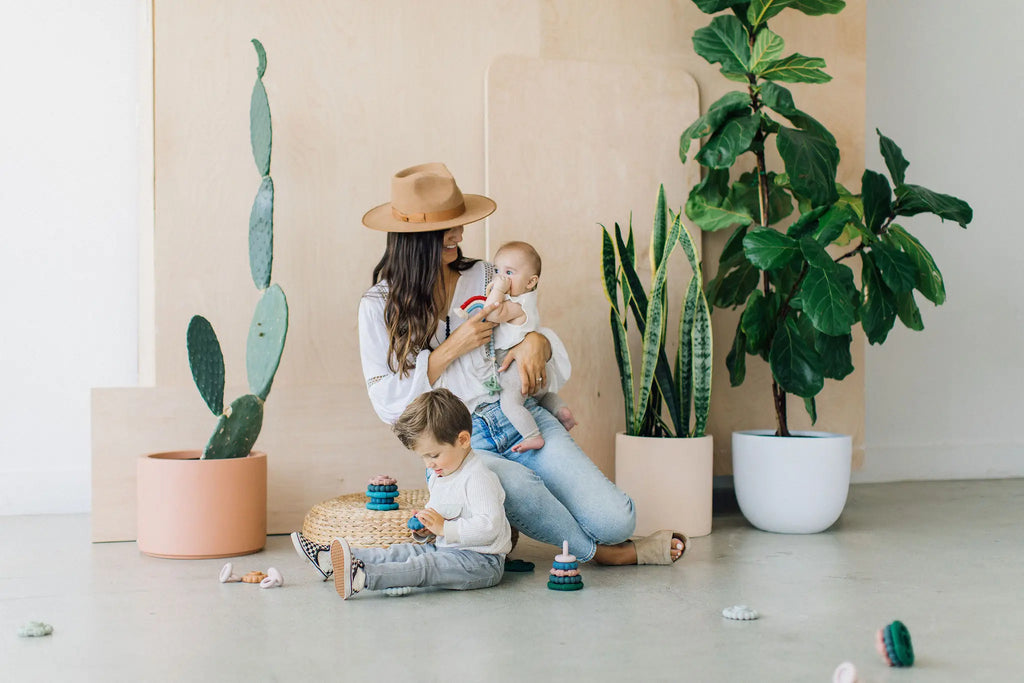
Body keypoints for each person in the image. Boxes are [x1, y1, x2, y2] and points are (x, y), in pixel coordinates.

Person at [355, 162, 686, 566]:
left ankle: (607, 539)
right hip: (460, 443)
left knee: (616, 519)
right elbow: (387, 404)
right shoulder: (377, 306)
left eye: (461, 223)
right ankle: (601, 554)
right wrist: (449, 350)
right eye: (450, 228)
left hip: (521, 416)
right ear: (416, 239)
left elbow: (530, 325)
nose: (461, 234)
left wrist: (538, 342)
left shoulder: (486, 275)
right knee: (516, 485)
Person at [319, 388, 511, 599]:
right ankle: (335, 559)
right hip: (446, 550)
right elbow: (439, 518)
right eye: (423, 458)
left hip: (482, 562)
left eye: (434, 455)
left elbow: (489, 527)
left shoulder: (478, 478)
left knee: (425, 566)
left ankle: (365, 576)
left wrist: (444, 528)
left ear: (463, 440)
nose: (429, 464)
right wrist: (426, 528)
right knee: (402, 551)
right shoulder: (439, 475)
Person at [481, 239, 577, 452]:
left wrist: (495, 291)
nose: (501, 278)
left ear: (530, 282)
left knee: (511, 404)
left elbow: (491, 313)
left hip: (517, 367)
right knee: (542, 396)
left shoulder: (517, 305)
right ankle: (561, 410)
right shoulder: (523, 300)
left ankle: (533, 436)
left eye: (509, 272)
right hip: (537, 368)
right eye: (497, 270)